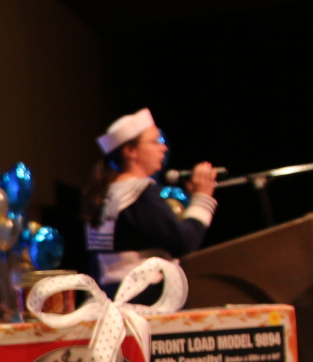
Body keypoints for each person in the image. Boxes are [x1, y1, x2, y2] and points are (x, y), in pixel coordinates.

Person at [82, 109, 219, 291]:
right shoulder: (138, 192)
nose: (164, 148)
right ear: (131, 150)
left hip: (113, 295)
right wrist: (203, 197)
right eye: (155, 142)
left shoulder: (109, 192)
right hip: (145, 298)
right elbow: (183, 243)